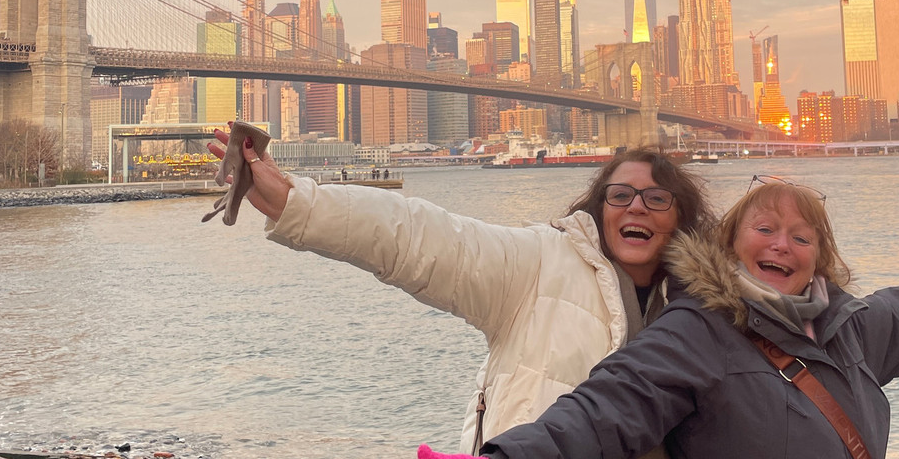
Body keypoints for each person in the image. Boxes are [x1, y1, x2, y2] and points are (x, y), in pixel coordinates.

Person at [421, 178, 899, 459]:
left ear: (820, 255)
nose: (782, 245)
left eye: (801, 236)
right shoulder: (698, 332)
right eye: (765, 230)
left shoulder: (850, 328)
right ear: (733, 243)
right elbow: (607, 407)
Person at [208, 127, 715, 454]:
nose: (635, 207)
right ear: (599, 208)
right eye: (619, 194)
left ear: (680, 216)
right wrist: (299, 204)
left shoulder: (703, 311)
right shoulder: (540, 263)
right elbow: (423, 237)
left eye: (656, 198)